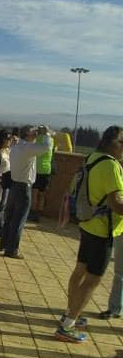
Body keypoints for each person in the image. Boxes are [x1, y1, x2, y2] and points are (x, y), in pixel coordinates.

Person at [54, 126, 123, 343]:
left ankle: (71, 312)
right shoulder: (111, 166)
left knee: (80, 270)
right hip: (103, 228)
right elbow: (116, 204)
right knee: (93, 279)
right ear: (115, 144)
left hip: (87, 223)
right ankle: (68, 325)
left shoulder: (92, 158)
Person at [0, 125, 49, 259]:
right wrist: (45, 135)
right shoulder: (27, 148)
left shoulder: (16, 147)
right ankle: (12, 249)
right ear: (28, 134)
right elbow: (45, 148)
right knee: (18, 219)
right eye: (33, 133)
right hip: (23, 187)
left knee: (9, 216)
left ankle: (3, 243)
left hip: (14, 184)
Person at [28, 126, 55, 222]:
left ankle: (32, 213)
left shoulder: (38, 139)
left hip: (37, 169)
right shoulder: (51, 141)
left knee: (34, 193)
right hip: (47, 170)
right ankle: (39, 214)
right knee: (42, 194)